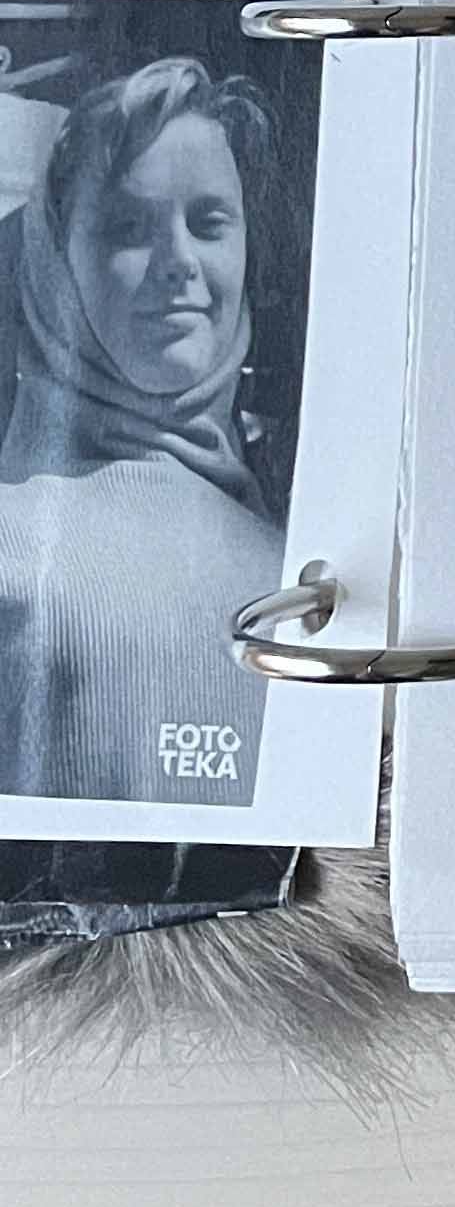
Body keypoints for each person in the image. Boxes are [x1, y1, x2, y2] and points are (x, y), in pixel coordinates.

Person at [0, 59, 292, 806]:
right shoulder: (11, 542)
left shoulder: (299, 551)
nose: (178, 263)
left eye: (209, 223)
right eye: (126, 229)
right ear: (55, 267)